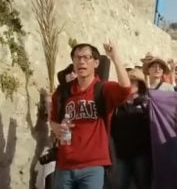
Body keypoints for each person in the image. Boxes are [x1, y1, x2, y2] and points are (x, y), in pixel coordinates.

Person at [49, 43, 131, 189]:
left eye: (86, 58)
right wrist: (56, 128)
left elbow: (125, 89)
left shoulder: (103, 89)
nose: (81, 62)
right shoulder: (62, 92)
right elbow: (53, 122)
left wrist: (115, 58)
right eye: (77, 58)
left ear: (96, 63)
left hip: (93, 165)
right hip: (65, 164)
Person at [110, 68, 151, 189]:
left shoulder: (147, 103)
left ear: (140, 84)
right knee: (121, 186)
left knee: (143, 185)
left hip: (141, 154)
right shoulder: (117, 104)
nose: (130, 84)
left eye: (134, 81)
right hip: (121, 154)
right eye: (128, 81)